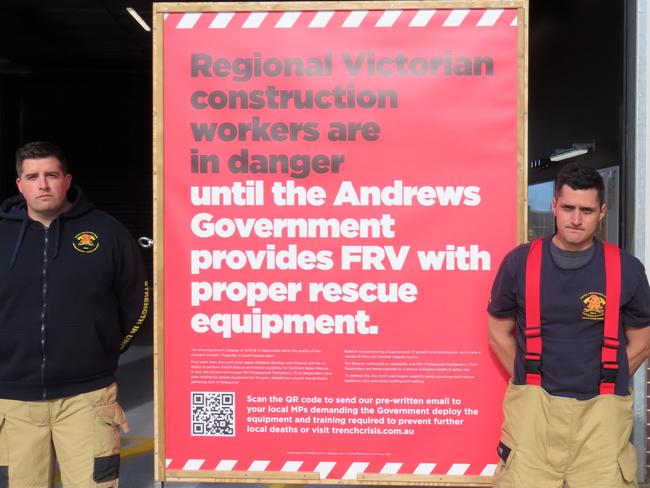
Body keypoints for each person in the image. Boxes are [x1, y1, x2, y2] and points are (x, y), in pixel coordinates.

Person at [488, 162, 650, 488]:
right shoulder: (518, 263)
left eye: (587, 210)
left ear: (602, 211)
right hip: (532, 414)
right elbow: (498, 333)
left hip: (602, 415)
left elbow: (642, 340)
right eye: (568, 208)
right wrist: (527, 376)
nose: (576, 219)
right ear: (554, 206)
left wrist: (610, 375)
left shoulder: (627, 269)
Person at [0, 141, 149, 487]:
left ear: (67, 180)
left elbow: (137, 302)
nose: (43, 184)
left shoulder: (107, 233)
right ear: (19, 184)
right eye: (32, 176)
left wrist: (102, 349)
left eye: (51, 175)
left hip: (87, 399)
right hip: (13, 402)